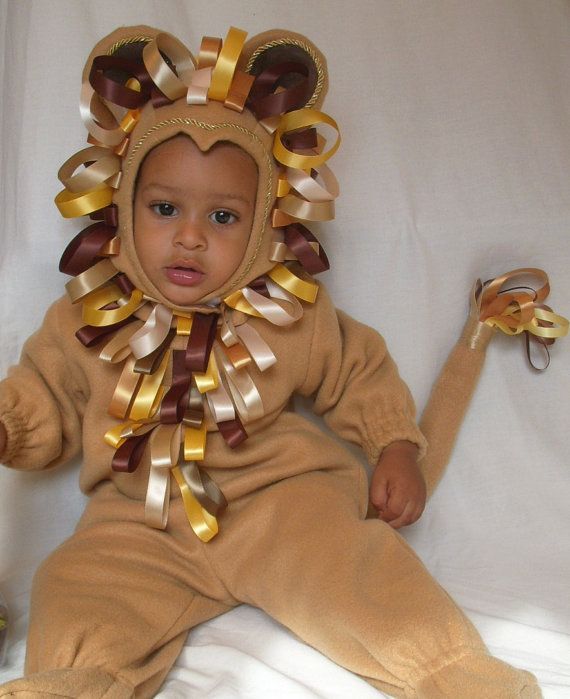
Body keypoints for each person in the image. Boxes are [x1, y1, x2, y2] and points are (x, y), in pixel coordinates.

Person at [0, 24, 541, 698]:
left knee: (356, 566)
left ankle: (450, 671)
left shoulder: (288, 311)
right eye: (164, 207)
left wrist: (396, 445)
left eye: (224, 218)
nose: (190, 237)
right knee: (73, 582)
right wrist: (10, 425)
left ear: (264, 224)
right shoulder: (86, 316)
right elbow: (42, 395)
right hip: (136, 520)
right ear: (122, 204)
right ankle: (74, 681)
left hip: (280, 503)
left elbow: (356, 370)